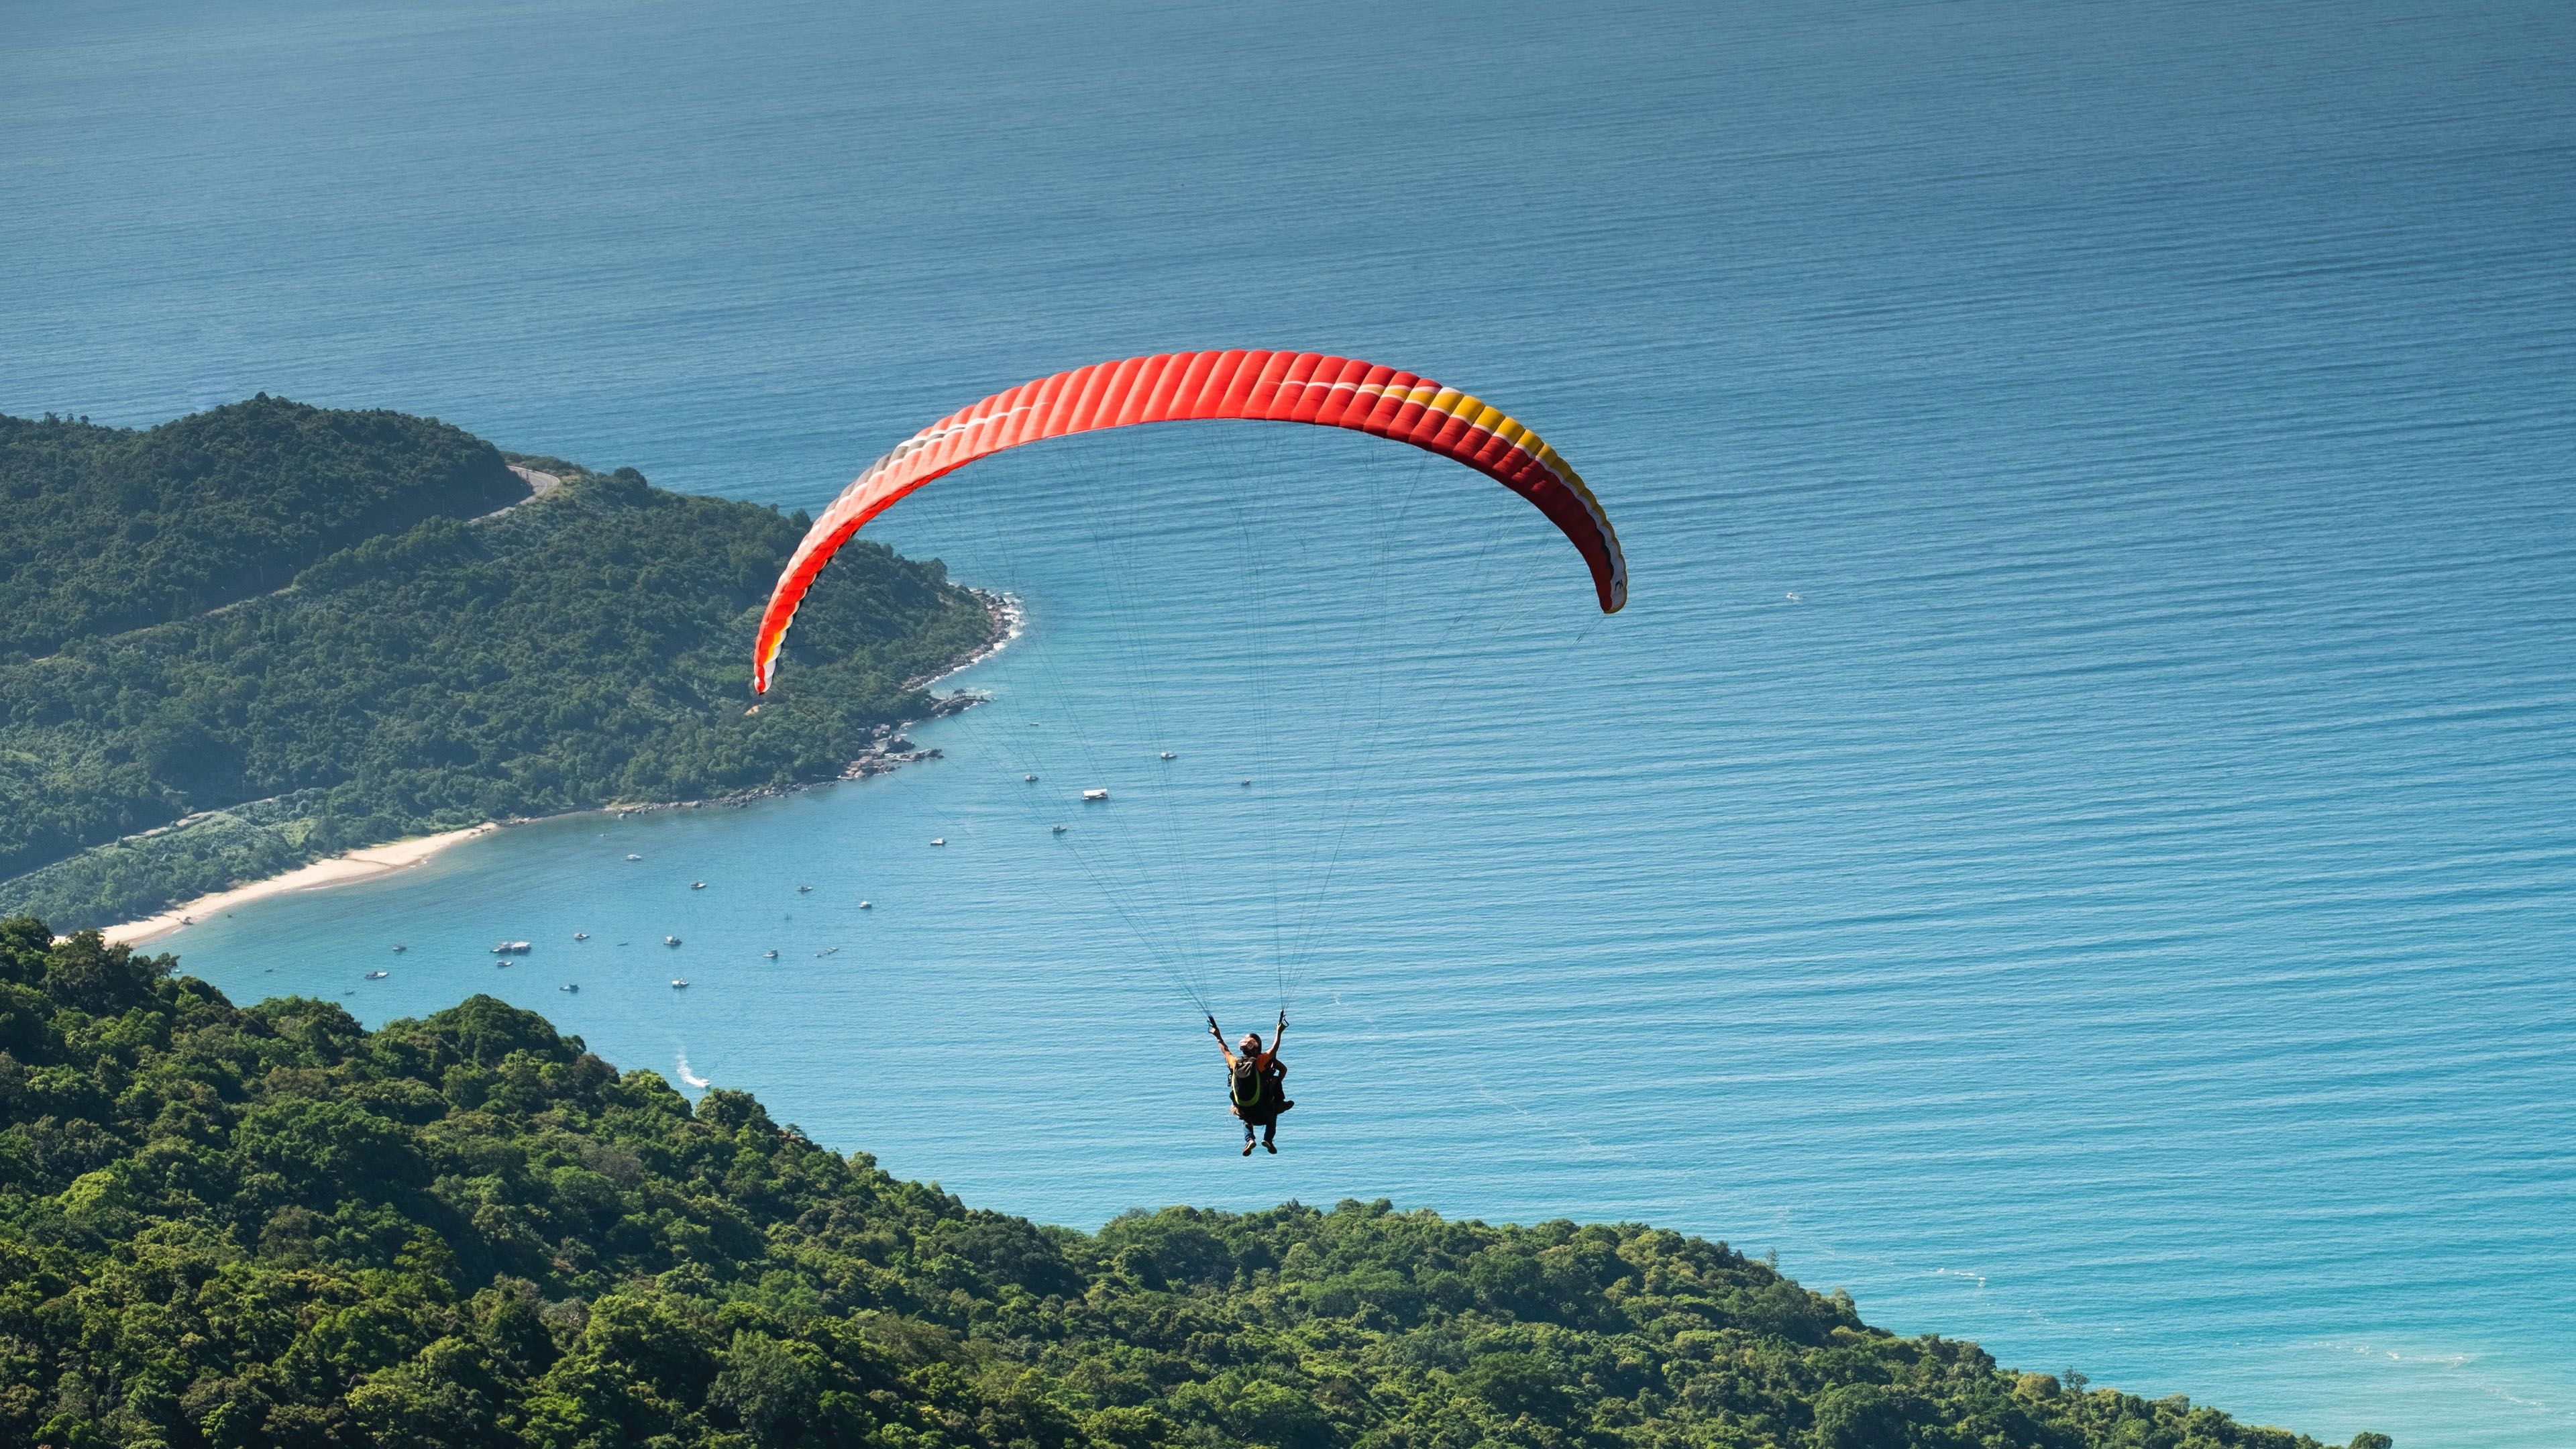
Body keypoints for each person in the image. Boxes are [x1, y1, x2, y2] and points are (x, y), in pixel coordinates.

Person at [1210, 1011, 1294, 1155]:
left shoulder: (1235, 1062)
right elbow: (1274, 1050)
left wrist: (1217, 1035)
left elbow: (1225, 1050)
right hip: (1263, 1109)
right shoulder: (1260, 1062)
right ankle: (1268, 1138)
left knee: (1245, 1116)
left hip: (1244, 1109)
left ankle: (1249, 1139)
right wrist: (1279, 1032)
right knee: (1273, 1114)